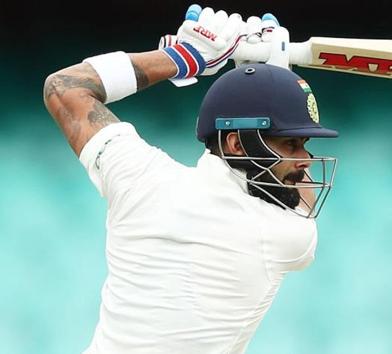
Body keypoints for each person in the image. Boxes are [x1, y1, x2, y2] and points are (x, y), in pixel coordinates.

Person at [43, 5, 338, 354]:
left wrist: (183, 57)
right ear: (235, 143)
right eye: (291, 143)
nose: (304, 160)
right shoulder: (279, 233)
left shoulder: (140, 176)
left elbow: (65, 88)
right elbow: (299, 202)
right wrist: (276, 71)